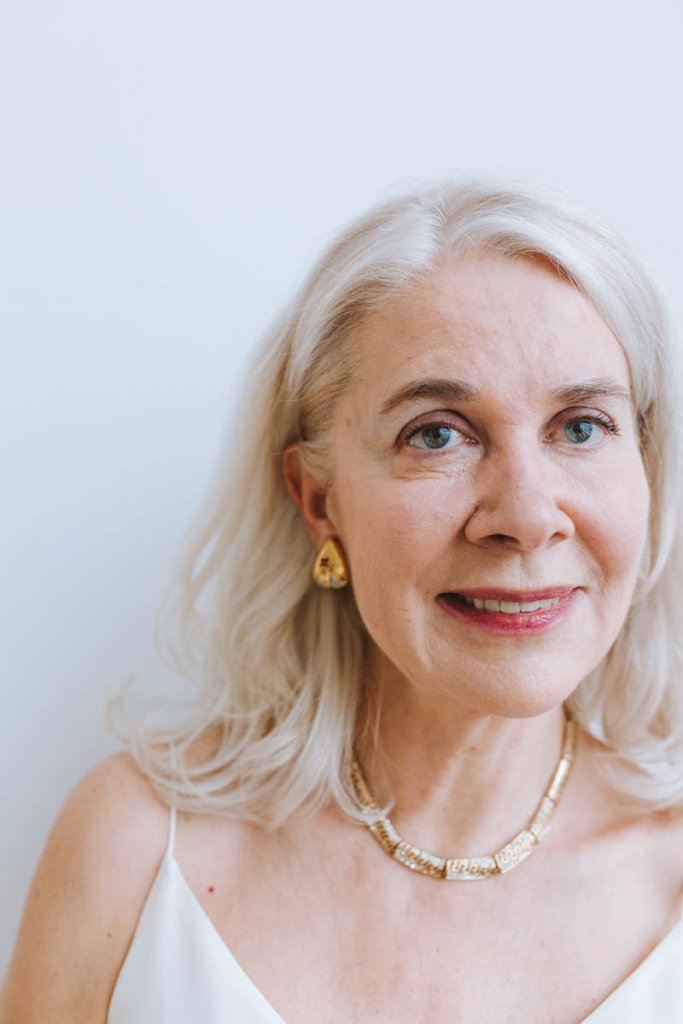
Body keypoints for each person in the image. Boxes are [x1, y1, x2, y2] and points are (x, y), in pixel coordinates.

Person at [2, 179, 683, 1024]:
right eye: (436, 433)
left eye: (580, 427)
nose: (527, 516)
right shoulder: (135, 847)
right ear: (317, 500)